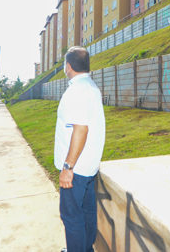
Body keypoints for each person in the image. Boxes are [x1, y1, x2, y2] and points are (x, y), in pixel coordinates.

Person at [54, 46, 106, 252]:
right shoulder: (91, 86)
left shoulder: (76, 91)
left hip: (76, 169)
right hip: (88, 167)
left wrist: (68, 167)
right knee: (86, 213)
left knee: (71, 216)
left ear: (68, 66)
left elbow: (81, 130)